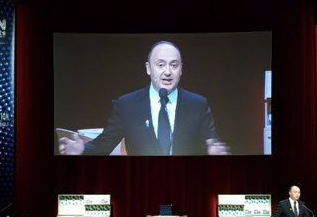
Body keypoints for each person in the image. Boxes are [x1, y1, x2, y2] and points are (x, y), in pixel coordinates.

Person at [57, 41, 230, 156]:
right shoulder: (127, 105)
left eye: (174, 65)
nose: (168, 71)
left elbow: (211, 144)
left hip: (185, 183)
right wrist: (82, 150)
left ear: (181, 69)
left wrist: (214, 152)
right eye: (161, 65)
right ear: (148, 68)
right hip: (141, 184)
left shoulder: (197, 104)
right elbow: (103, 145)